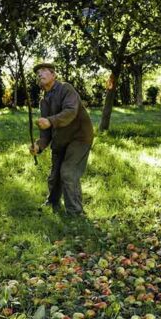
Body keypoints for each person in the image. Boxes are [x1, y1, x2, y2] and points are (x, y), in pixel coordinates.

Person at [29, 62, 94, 216]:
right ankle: (53, 202)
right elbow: (46, 132)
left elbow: (71, 111)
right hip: (61, 140)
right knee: (55, 175)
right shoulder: (43, 101)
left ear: (53, 75)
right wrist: (39, 146)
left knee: (68, 172)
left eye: (44, 71)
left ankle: (75, 213)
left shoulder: (66, 89)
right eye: (38, 72)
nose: (40, 74)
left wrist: (50, 121)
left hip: (79, 137)